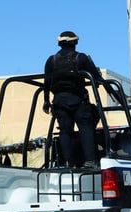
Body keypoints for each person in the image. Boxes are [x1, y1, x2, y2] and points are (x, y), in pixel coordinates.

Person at [43, 31, 103, 168]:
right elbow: (95, 77)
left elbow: (46, 83)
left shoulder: (51, 60)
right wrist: (98, 79)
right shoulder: (80, 58)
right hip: (78, 101)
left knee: (64, 130)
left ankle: (67, 162)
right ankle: (90, 160)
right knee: (85, 128)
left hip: (59, 101)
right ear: (75, 43)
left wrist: (46, 101)